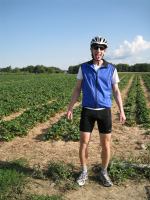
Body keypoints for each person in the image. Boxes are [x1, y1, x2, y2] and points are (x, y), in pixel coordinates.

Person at [66, 36, 126, 187]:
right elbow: (77, 89)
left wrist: (122, 110)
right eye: (95, 47)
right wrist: (70, 107)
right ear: (91, 49)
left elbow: (116, 91)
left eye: (102, 48)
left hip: (104, 111)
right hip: (87, 110)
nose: (98, 50)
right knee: (83, 143)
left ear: (105, 51)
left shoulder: (111, 68)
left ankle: (104, 172)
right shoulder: (84, 68)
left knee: (106, 144)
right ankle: (84, 171)